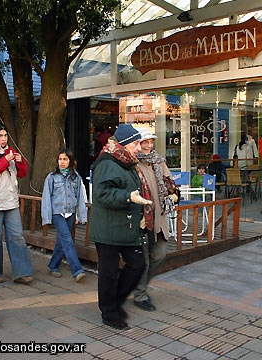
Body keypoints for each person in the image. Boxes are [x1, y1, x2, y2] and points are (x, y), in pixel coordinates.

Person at [89, 123, 151, 330]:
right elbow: (103, 194)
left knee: (138, 264)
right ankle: (109, 312)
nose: (139, 148)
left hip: (126, 226)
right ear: (124, 145)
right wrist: (128, 197)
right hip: (108, 229)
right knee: (108, 272)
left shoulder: (126, 162)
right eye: (135, 144)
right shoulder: (107, 162)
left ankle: (115, 302)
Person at [0, 123, 34, 285]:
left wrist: (20, 161)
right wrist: (4, 162)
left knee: (17, 237)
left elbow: (22, 174)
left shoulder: (11, 151)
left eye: (5, 136)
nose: (3, 139)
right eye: (0, 136)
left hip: (11, 201)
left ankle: (22, 272)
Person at [133, 128, 176, 312]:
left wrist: (174, 195)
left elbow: (170, 183)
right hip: (143, 218)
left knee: (159, 254)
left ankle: (138, 287)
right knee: (144, 258)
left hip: (160, 217)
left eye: (151, 142)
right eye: (145, 142)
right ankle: (140, 294)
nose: (149, 146)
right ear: (138, 144)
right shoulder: (133, 163)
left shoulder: (159, 161)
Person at [41, 149, 88, 282]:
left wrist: (81, 215)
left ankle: (52, 266)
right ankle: (77, 271)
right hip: (58, 213)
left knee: (61, 242)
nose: (62, 162)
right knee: (67, 241)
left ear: (71, 161)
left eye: (65, 159)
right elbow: (46, 198)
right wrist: (47, 217)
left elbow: (79, 197)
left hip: (70, 213)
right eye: (60, 159)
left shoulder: (76, 177)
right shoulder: (52, 177)